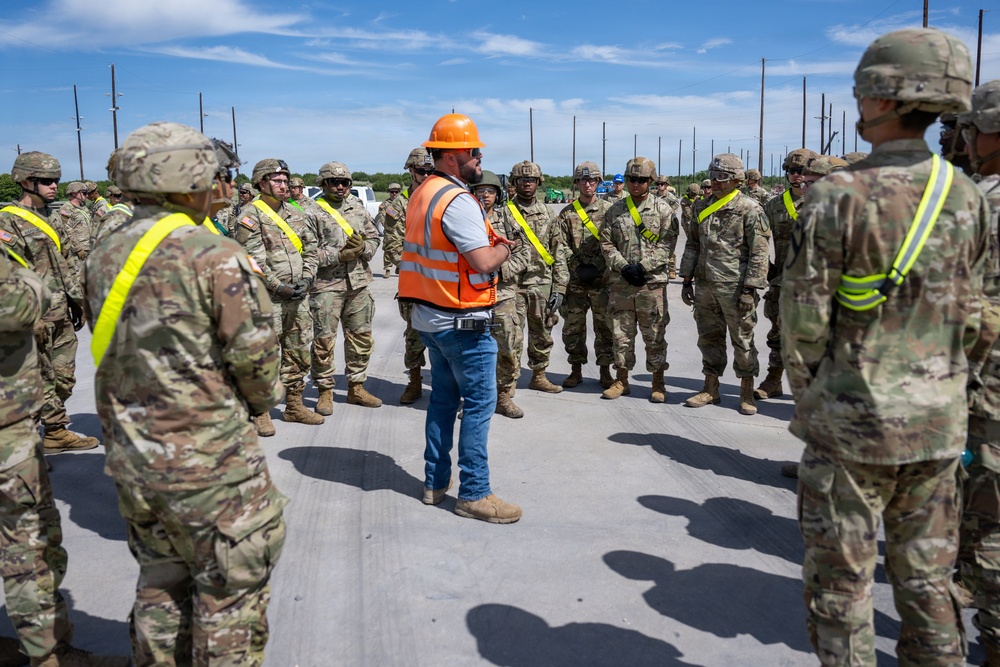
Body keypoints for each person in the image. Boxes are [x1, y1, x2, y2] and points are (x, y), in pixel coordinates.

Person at [781, 28, 988, 665]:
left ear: (879, 98)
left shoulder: (837, 195)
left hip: (853, 428)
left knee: (842, 589)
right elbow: (976, 319)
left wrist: (817, 396)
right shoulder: (967, 195)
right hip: (937, 428)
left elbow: (804, 324)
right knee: (927, 584)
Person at [84, 121, 287, 666]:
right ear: (190, 177)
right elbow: (259, 368)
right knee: (229, 598)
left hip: (134, 457)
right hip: (210, 466)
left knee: (159, 585)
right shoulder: (214, 253)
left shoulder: (105, 253)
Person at [398, 113, 521, 523]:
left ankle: (435, 483)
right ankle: (474, 493)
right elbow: (483, 259)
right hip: (462, 321)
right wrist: (506, 249)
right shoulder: (459, 199)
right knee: (480, 405)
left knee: (444, 401)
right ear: (452, 156)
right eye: (473, 151)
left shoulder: (423, 192)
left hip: (430, 318)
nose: (479, 157)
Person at [0, 152, 98, 453]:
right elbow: (7, 275)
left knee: (63, 377)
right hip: (33, 316)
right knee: (33, 382)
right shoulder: (8, 221)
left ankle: (55, 432)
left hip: (61, 312)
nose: (54, 186)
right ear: (25, 181)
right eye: (46, 181)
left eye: (56, 180)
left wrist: (79, 301)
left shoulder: (53, 217)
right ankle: (25, 450)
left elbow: (67, 261)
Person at [953, 80, 1000, 664]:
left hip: (983, 383)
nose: (965, 141)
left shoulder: (981, 202)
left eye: (972, 129)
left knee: (987, 512)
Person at [235, 158, 323, 435]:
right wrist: (277, 286)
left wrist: (307, 277)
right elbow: (251, 258)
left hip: (298, 295)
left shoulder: (297, 213)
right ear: (262, 183)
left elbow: (311, 248)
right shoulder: (250, 215)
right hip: (266, 297)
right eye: (277, 181)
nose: (284, 185)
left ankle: (294, 405)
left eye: (286, 180)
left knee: (298, 350)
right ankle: (261, 411)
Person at [680, 154, 770, 416]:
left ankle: (746, 390)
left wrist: (751, 288)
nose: (716, 182)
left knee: (742, 340)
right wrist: (686, 279)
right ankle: (710, 387)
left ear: (736, 180)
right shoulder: (701, 206)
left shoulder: (750, 208)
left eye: (722, 177)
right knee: (708, 338)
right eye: (713, 175)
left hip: (736, 288)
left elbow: (759, 253)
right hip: (705, 286)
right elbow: (692, 244)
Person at [599, 157, 678, 402]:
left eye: (642, 180)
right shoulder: (615, 210)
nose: (636, 184)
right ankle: (621, 380)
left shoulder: (663, 209)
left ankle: (658, 382)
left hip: (650, 284)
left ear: (650, 181)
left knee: (654, 334)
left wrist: (644, 266)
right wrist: (622, 267)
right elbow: (606, 241)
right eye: (632, 179)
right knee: (621, 334)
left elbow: (668, 244)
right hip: (622, 284)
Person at [308, 161, 383, 409]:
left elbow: (373, 237)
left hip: (358, 285)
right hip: (326, 286)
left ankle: (356, 387)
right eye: (334, 182)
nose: (340, 187)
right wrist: (338, 256)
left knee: (361, 339)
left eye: (345, 183)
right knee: (323, 342)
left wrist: (365, 249)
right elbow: (305, 254)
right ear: (324, 184)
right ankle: (325, 391)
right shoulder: (311, 212)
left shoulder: (357, 209)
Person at [756, 148, 817, 407]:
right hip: (782, 283)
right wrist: (766, 270)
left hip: (817, 285)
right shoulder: (774, 205)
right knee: (778, 334)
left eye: (802, 171)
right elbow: (757, 240)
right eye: (792, 171)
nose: (797, 176)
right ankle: (773, 379)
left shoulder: (827, 202)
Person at [507, 160, 567, 394]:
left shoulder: (548, 213)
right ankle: (509, 379)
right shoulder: (505, 213)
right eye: (522, 180)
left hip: (542, 283)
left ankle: (539, 376)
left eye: (531, 179)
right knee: (511, 336)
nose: (527, 184)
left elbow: (558, 251)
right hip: (513, 284)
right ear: (515, 183)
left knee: (542, 332)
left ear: (538, 182)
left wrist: (560, 287)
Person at [475, 170, 529, 418]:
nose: (485, 195)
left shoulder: (508, 219)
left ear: (498, 195)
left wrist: (502, 270)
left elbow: (525, 251)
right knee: (473, 350)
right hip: (471, 297)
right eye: (479, 190)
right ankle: (475, 399)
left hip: (503, 294)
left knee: (507, 345)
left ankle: (503, 396)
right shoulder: (464, 219)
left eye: (490, 191)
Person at [556, 161, 614, 390]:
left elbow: (614, 242)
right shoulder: (567, 213)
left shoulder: (610, 210)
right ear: (577, 183)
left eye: (592, 180)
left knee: (605, 327)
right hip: (576, 282)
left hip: (602, 281)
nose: (587, 184)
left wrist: (599, 264)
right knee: (573, 328)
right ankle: (575, 370)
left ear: (598, 182)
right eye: (583, 180)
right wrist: (576, 265)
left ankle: (605, 371)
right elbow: (561, 244)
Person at [394, 147, 436, 405]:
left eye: (431, 171)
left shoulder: (440, 196)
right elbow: (393, 244)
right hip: (413, 280)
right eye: (422, 171)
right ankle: (415, 382)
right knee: (414, 334)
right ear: (411, 170)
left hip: (441, 279)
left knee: (447, 334)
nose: (426, 175)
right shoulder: (400, 204)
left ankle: (444, 385)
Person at [56, 182, 92, 285]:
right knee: (78, 280)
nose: (87, 196)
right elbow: (67, 231)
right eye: (84, 193)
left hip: (88, 248)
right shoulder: (66, 209)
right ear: (74, 193)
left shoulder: (83, 208)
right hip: (77, 252)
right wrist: (78, 248)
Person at [377, 182, 405, 279]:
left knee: (401, 250)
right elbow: (382, 217)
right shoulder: (385, 204)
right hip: (390, 232)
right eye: (392, 192)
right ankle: (387, 269)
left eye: (396, 192)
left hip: (402, 231)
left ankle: (399, 266)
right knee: (388, 251)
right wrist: (389, 226)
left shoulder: (403, 203)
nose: (394, 194)